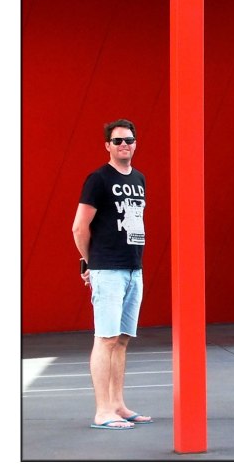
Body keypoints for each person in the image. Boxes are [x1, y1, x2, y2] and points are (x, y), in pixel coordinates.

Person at [72, 119, 152, 430]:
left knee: (122, 340)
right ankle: (102, 411)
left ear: (136, 143)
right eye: (117, 141)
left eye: (129, 140)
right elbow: (80, 227)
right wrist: (90, 263)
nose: (124, 145)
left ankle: (117, 404)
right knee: (105, 338)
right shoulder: (98, 179)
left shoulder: (140, 178)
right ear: (107, 145)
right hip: (107, 269)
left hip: (134, 268)